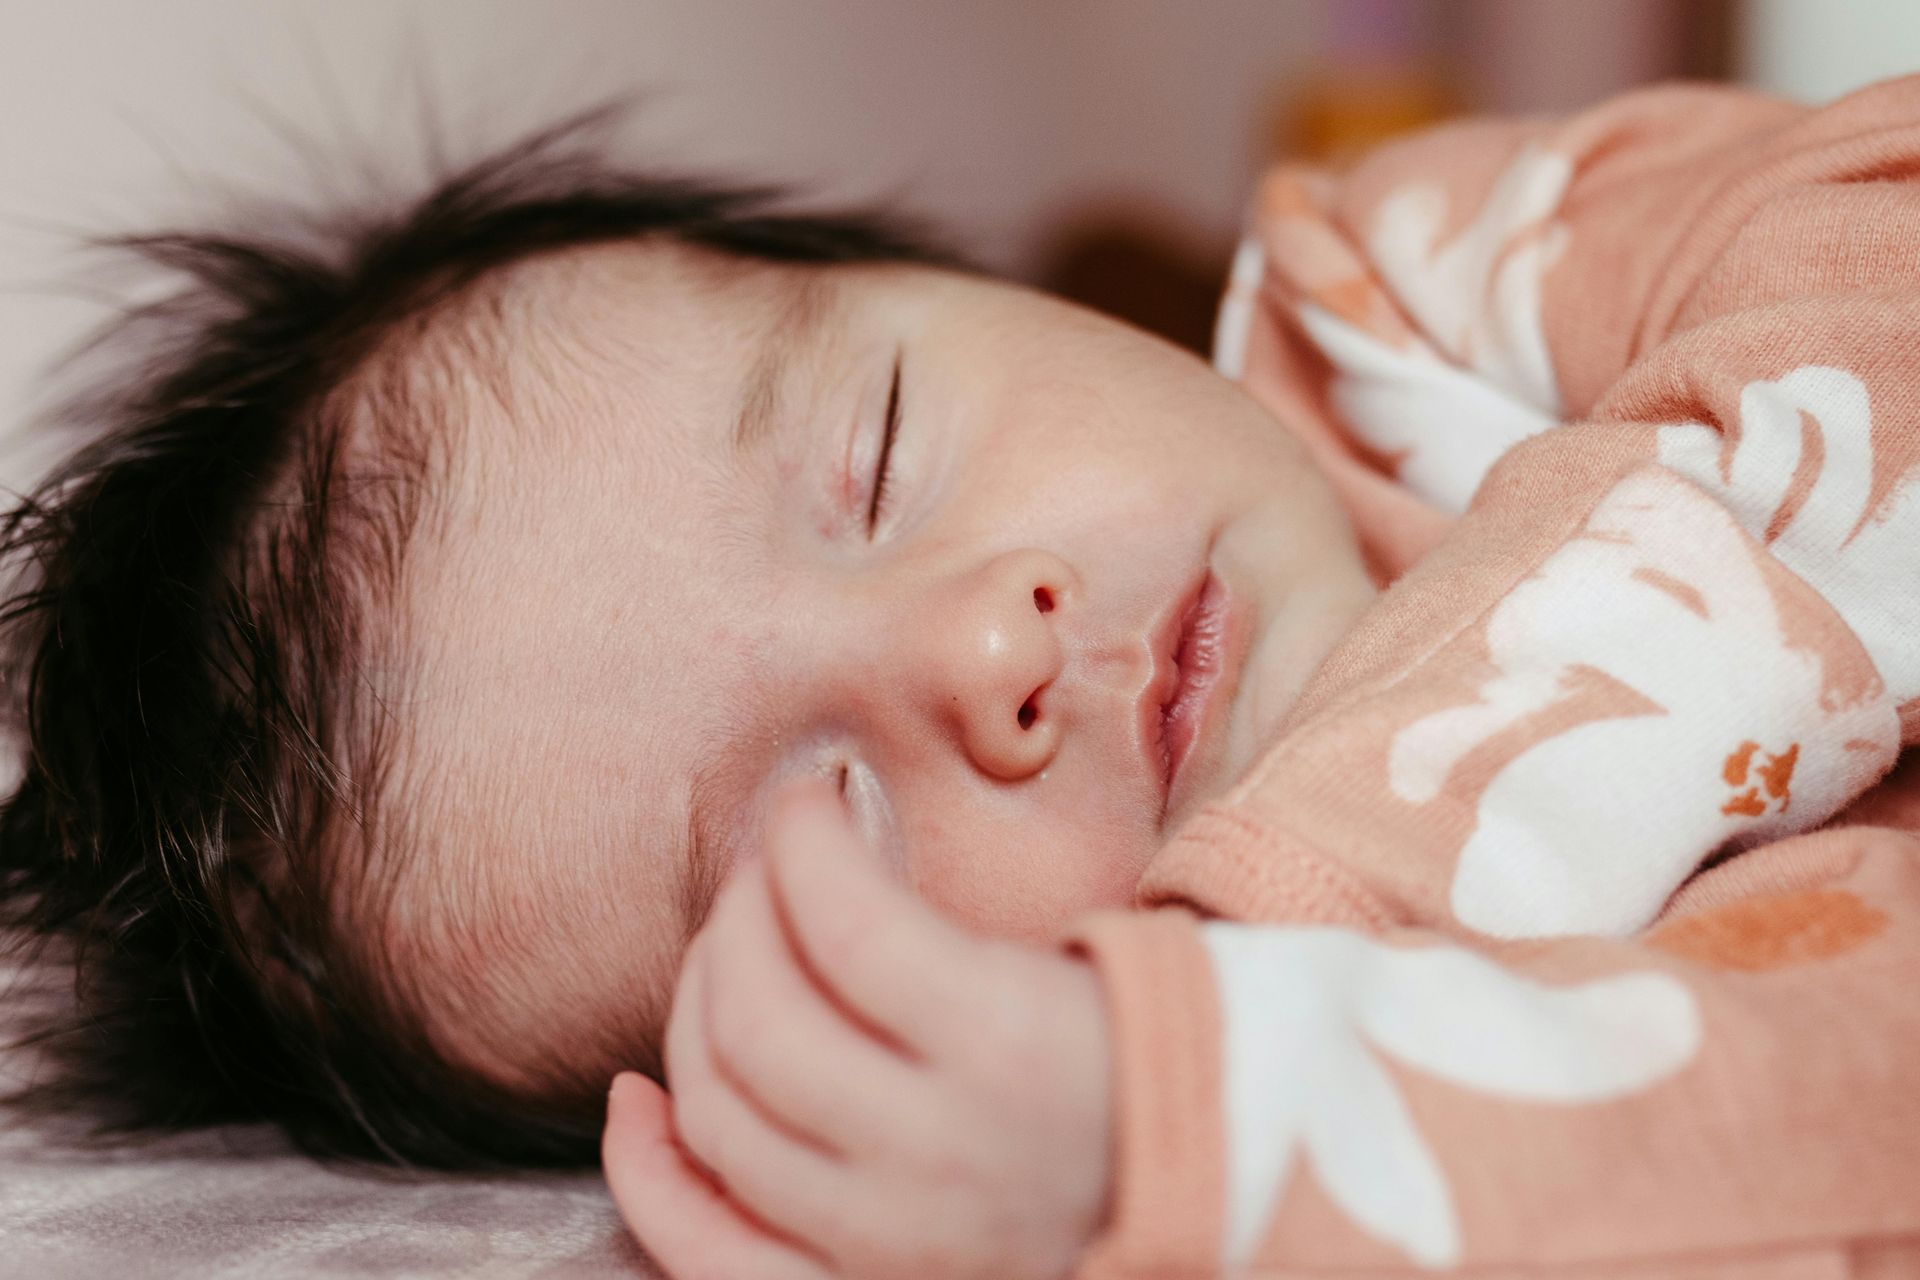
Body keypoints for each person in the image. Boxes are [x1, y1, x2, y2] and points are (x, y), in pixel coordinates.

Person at [2, 73, 1917, 1276]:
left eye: (885, 448)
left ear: (999, 289)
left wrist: (1303, 934)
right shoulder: (1253, 1090)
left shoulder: (1413, 290)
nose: (975, 643)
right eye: (824, 826)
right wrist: (1147, 1172)